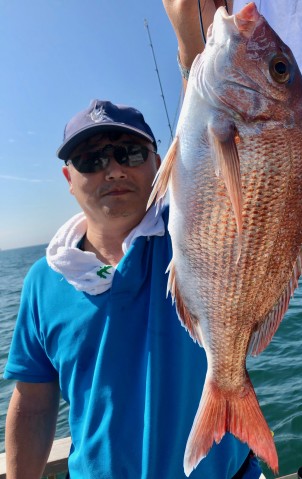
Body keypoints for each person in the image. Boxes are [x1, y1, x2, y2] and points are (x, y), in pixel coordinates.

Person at [4, 2, 263, 478]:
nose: (113, 169)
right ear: (68, 177)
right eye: (91, 159)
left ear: (160, 160)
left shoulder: (188, 228)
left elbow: (214, 135)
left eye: (128, 151)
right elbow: (35, 404)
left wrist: (192, 33)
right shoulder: (43, 283)